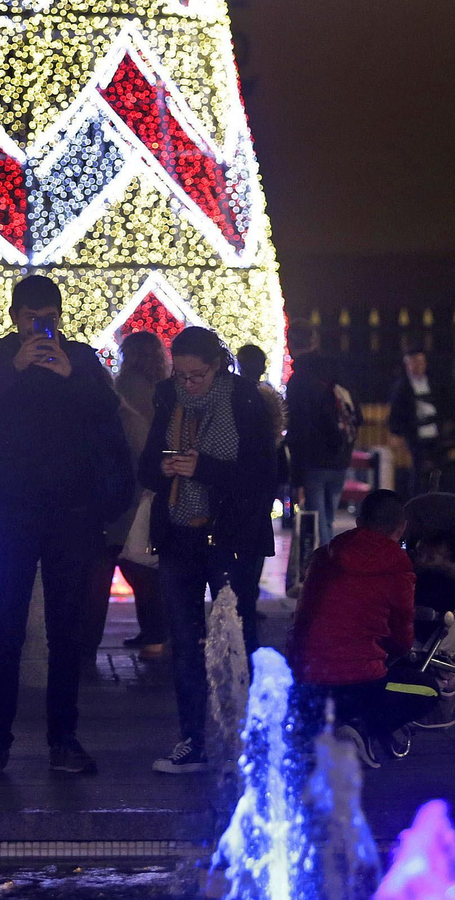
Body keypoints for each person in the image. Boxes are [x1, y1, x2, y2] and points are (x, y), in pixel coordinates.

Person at [0, 275, 123, 777]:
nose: (40, 326)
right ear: (14, 317)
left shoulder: (82, 361)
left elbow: (106, 415)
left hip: (72, 513)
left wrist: (72, 373)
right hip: (12, 512)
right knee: (4, 631)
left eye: (48, 315)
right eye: (31, 317)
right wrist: (14, 367)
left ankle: (64, 737)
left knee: (67, 631)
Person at [143, 326, 277, 774]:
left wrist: (204, 468)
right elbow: (145, 467)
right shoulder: (168, 398)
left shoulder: (243, 400)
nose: (186, 384)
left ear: (216, 366)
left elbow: (261, 476)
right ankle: (192, 740)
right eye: (179, 375)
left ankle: (251, 739)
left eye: (195, 375)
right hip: (179, 533)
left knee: (238, 637)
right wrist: (164, 467)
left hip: (231, 537)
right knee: (184, 640)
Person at [287, 489, 433, 769]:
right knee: (428, 692)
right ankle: (361, 728)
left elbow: (303, 619)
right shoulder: (397, 567)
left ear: (358, 522)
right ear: (401, 528)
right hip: (357, 684)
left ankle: (330, 725)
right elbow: (402, 640)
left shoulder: (324, 556)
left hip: (306, 680)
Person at [82, 330, 170, 671]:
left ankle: (87, 645)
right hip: (146, 493)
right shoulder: (163, 393)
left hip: (122, 492)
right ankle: (154, 634)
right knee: (142, 567)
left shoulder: (121, 391)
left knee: (103, 570)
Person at [286, 332, 360, 543]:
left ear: (291, 346)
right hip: (340, 457)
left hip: (313, 461)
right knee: (327, 519)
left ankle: (325, 566)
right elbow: (355, 413)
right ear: (315, 342)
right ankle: (329, 562)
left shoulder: (299, 380)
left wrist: (296, 475)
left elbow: (297, 429)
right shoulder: (337, 372)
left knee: (317, 522)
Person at [388, 350, 442, 498]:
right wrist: (396, 433)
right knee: (418, 471)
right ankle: (417, 501)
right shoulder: (402, 386)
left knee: (438, 470)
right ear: (407, 364)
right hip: (414, 435)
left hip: (434, 433)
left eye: (421, 362)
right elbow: (396, 411)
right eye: (414, 362)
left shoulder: (432, 381)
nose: (418, 366)